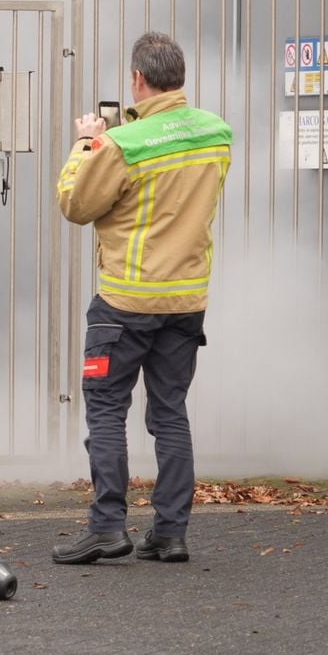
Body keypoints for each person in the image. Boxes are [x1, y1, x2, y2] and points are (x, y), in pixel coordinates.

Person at [52, 31, 232, 565]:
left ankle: (107, 527)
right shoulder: (216, 134)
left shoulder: (121, 145)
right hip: (186, 301)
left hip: (125, 303)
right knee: (170, 412)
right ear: (179, 76)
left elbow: (75, 204)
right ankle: (170, 533)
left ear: (137, 79)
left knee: (107, 410)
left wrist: (87, 143)